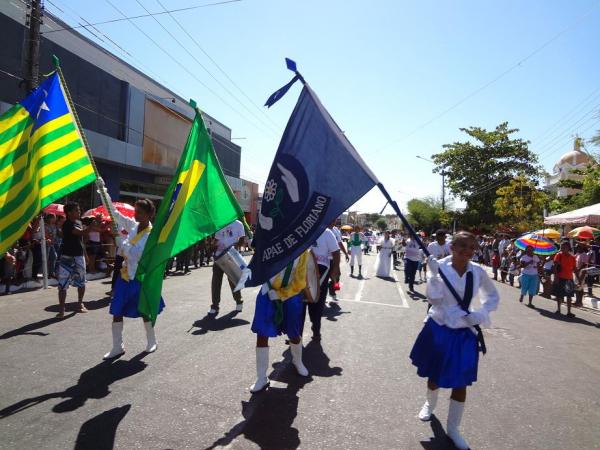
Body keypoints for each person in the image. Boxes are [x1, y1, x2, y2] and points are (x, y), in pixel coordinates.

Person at [410, 231, 499, 450]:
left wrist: (479, 314)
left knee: (461, 381)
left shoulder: (477, 272)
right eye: (463, 247)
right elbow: (434, 299)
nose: (468, 252)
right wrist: (433, 276)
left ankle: (453, 429)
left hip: (463, 329)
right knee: (435, 375)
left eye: (472, 248)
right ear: (452, 247)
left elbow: (492, 296)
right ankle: (429, 405)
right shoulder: (439, 266)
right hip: (439, 326)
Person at [103, 197, 163, 359]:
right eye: (135, 211)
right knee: (117, 310)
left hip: (140, 277)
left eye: (140, 213)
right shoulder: (134, 226)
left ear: (150, 215)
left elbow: (136, 255)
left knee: (144, 310)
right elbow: (116, 215)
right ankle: (117, 346)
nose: (136, 215)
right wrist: (104, 193)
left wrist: (119, 242)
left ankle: (152, 340)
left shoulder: (151, 235)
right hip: (125, 277)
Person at [250, 251, 312, 393]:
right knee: (262, 333)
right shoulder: (269, 244)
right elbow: (258, 266)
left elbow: (300, 281)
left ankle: (298, 361)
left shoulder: (303, 250)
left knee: (294, 333)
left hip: (291, 294)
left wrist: (280, 294)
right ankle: (261, 377)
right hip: (267, 292)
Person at [57, 202, 91, 318]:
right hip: (66, 256)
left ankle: (80, 303)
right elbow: (80, 233)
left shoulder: (79, 222)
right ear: (69, 213)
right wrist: (91, 226)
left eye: (79, 210)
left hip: (79, 255)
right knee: (63, 284)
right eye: (77, 210)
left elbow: (81, 239)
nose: (79, 211)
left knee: (81, 281)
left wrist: (85, 254)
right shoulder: (67, 224)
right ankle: (62, 309)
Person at [307, 228, 341, 341]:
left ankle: (316, 330)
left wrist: (335, 269)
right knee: (300, 302)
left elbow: (336, 252)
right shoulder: (303, 229)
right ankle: (296, 334)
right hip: (302, 268)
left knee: (317, 301)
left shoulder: (327, 233)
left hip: (321, 270)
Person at [209, 219, 246, 315]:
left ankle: (239, 300)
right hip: (219, 257)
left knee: (233, 280)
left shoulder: (238, 224)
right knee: (216, 281)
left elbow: (242, 240)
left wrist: (235, 246)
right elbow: (217, 239)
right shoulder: (220, 223)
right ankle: (215, 306)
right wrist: (212, 245)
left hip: (231, 256)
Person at [553, 241, 576, 317]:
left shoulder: (572, 257)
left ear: (568, 248)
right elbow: (555, 267)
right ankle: (558, 310)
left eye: (564, 247)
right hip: (560, 277)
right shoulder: (558, 255)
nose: (562, 248)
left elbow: (574, 269)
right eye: (561, 247)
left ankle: (569, 312)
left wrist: (579, 279)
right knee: (559, 295)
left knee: (569, 296)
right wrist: (556, 277)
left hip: (569, 278)